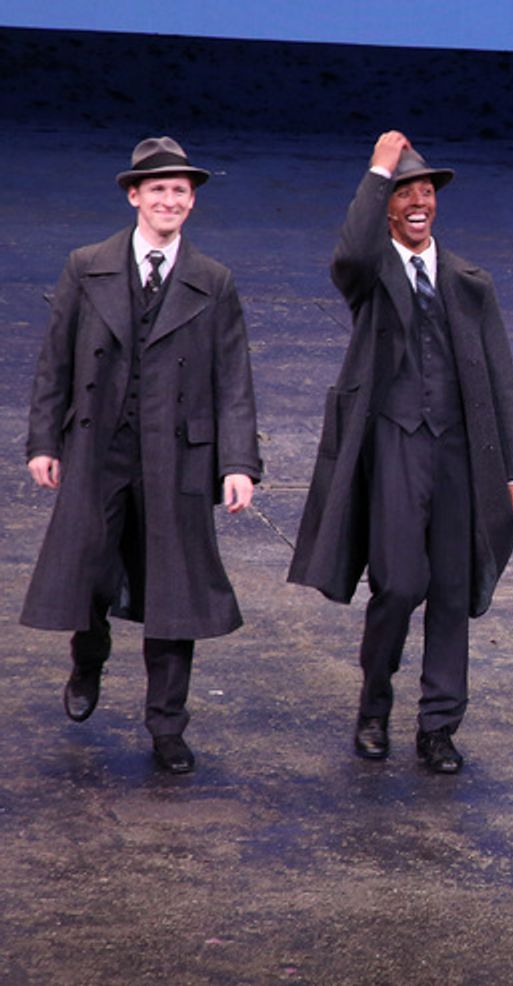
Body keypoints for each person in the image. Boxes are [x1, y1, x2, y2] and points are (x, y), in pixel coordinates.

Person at [288, 131, 513, 774]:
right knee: (399, 584)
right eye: (406, 192)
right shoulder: (371, 277)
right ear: (389, 206)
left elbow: (500, 380)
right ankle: (374, 705)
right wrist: (378, 169)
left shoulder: (469, 283)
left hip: (459, 456)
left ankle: (439, 727)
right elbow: (350, 251)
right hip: (394, 443)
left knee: (452, 591)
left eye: (427, 191)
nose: (420, 201)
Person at [22, 136, 261, 774]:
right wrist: (45, 441)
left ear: (191, 204)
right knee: (91, 573)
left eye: (180, 192)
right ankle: (89, 653)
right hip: (100, 448)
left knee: (174, 590)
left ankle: (167, 726)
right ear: (134, 196)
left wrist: (238, 463)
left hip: (176, 455)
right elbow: (57, 361)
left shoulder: (212, 282)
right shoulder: (87, 265)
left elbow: (232, 377)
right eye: (158, 190)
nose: (170, 201)